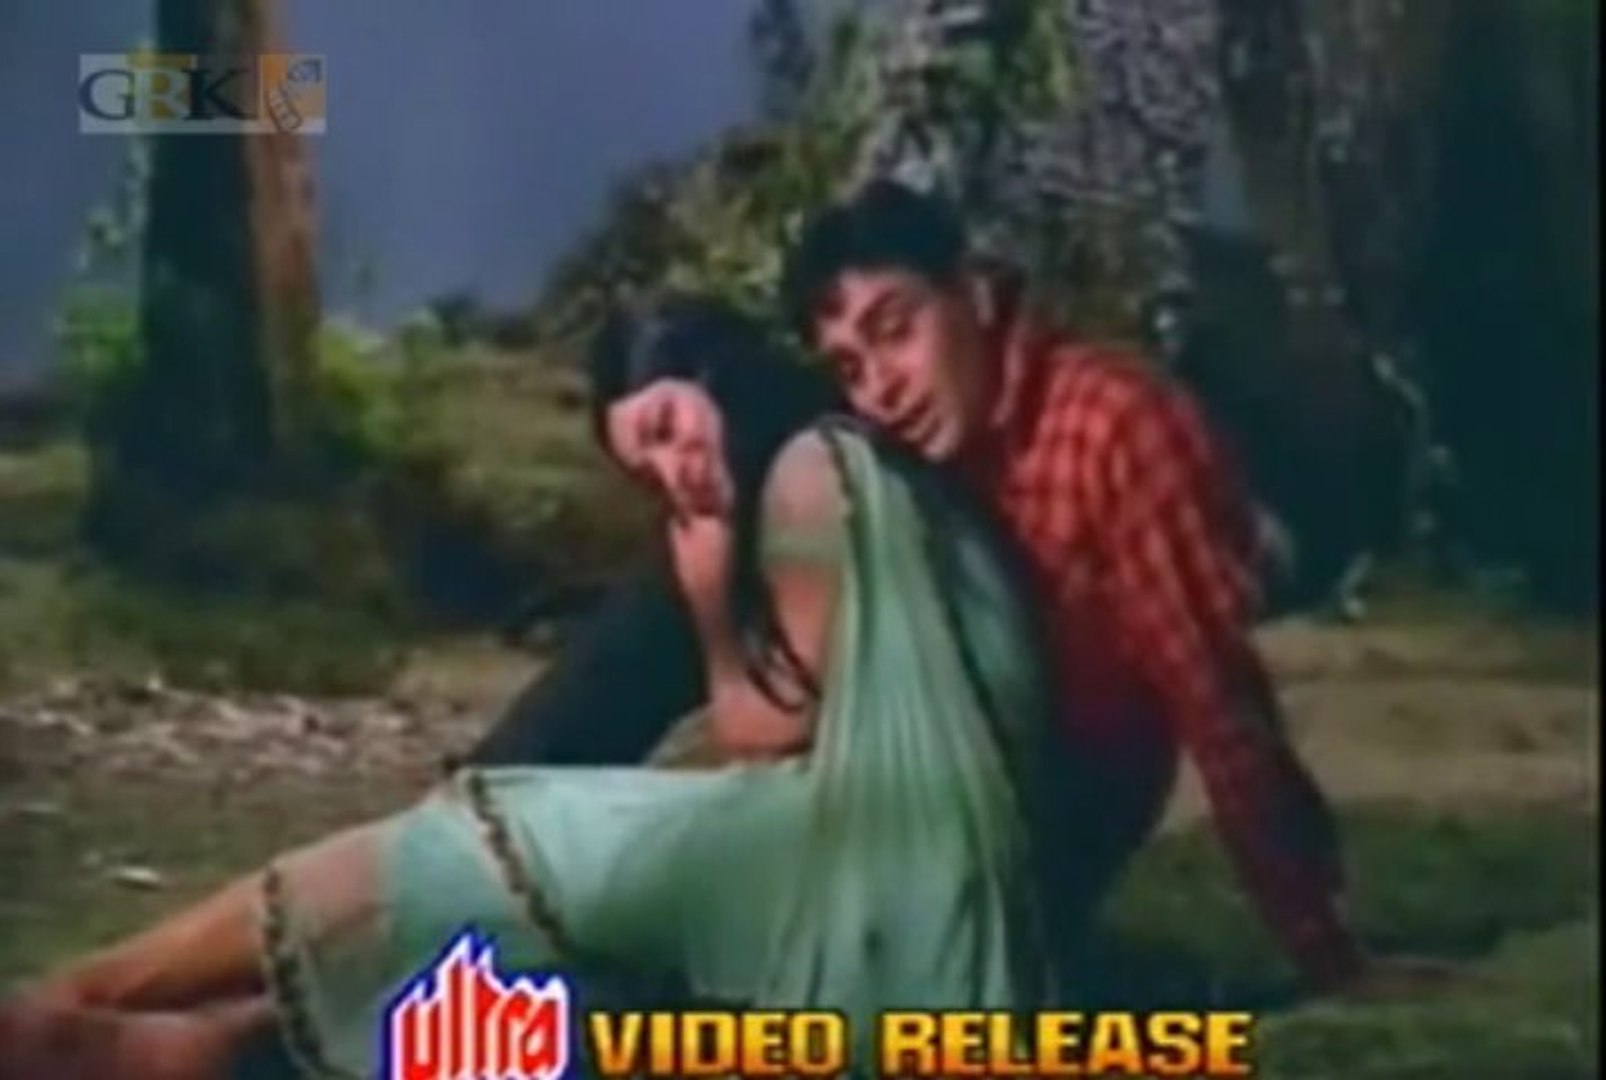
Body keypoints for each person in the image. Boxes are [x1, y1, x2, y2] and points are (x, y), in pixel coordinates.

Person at [0, 295, 1062, 1079]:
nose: (673, 469)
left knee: (473, 851)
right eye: (643, 465)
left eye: (666, 428)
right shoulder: (801, 476)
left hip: (877, 866)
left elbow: (764, 727)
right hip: (870, 847)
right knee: (519, 874)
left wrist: (707, 600)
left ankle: (92, 998)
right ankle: (196, 1036)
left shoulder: (808, 476)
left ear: (715, 375)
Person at [775, 179, 1466, 999]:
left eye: (896, 331)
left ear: (977, 296)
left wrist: (1323, 947)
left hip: (1048, 801)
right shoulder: (896, 461)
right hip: (903, 800)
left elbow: (1213, 693)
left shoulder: (1116, 426)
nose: (882, 388)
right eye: (851, 368)